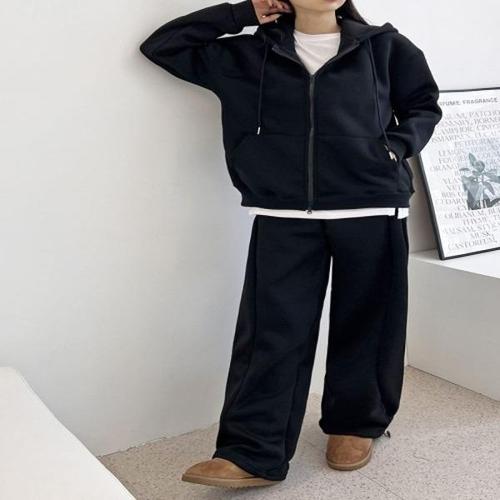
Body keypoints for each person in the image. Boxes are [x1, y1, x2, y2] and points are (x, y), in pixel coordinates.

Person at [139, 0, 442, 488]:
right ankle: (251, 451)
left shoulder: (386, 47)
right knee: (271, 332)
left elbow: (424, 104)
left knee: (369, 323)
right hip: (283, 210)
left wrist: (395, 147)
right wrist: (243, 12)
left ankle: (355, 424)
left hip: (371, 205)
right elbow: (163, 46)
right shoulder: (247, 55)